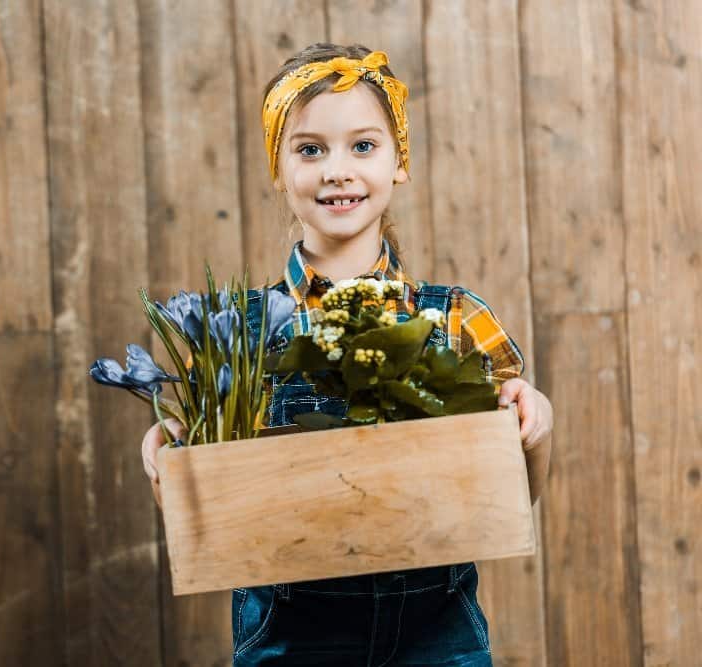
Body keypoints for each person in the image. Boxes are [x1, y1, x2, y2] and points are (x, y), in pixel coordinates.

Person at [140, 42, 553, 666]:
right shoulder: (235, 335)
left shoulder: (457, 317)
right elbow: (211, 524)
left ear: (399, 162)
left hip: (438, 634)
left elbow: (513, 496)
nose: (338, 169)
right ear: (279, 169)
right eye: (310, 149)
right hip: (290, 636)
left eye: (364, 146)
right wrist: (164, 467)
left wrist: (535, 426)